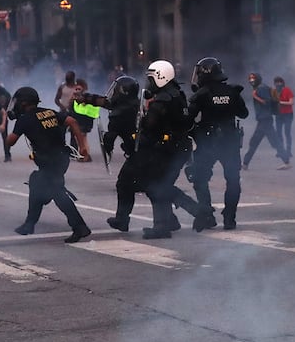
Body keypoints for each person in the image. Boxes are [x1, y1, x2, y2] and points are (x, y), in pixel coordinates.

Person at [6, 86, 91, 243]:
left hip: (50, 161)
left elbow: (10, 142)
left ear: (24, 103)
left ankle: (80, 227)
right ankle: (29, 224)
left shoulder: (24, 120)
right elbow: (72, 121)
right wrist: (83, 147)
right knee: (37, 184)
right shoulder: (49, 112)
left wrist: (7, 125)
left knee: (56, 193)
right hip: (61, 159)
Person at [132, 60, 202, 239]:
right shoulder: (177, 93)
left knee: (157, 186)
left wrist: (141, 118)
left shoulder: (163, 99)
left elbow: (150, 125)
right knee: (160, 186)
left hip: (168, 149)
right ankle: (171, 220)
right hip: (178, 147)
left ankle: (169, 223)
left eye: (152, 79)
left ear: (161, 77)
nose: (149, 83)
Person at [188, 57, 248, 231]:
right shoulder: (232, 92)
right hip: (229, 142)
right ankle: (230, 218)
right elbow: (243, 114)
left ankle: (207, 215)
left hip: (208, 142)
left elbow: (188, 118)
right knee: (233, 180)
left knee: (200, 178)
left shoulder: (202, 94)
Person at [80, 74, 145, 233]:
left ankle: (123, 220)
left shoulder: (119, 113)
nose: (113, 93)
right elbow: (107, 102)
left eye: (116, 90)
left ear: (123, 91)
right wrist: (87, 98)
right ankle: (172, 218)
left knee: (125, 184)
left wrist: (107, 145)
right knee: (153, 187)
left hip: (140, 154)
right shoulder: (135, 104)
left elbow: (109, 138)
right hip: (147, 151)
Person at [242, 72, 290, 169]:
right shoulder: (260, 88)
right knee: (273, 141)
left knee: (255, 142)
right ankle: (286, 161)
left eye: (253, 79)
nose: (251, 81)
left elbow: (267, 102)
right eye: (250, 79)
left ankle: (245, 164)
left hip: (265, 120)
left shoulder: (261, 88)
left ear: (258, 79)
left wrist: (255, 96)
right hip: (264, 119)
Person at [273, 76, 295, 159]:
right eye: (276, 82)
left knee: (287, 132)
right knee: (279, 133)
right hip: (279, 115)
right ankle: (281, 151)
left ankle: (288, 151)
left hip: (288, 114)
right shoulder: (274, 92)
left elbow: (291, 102)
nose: (278, 84)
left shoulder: (287, 90)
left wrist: (280, 102)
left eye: (280, 82)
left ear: (282, 83)